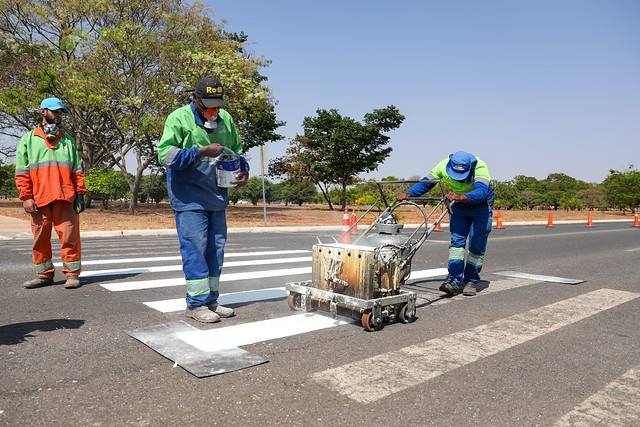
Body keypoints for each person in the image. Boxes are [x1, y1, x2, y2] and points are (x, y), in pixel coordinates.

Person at [157, 76, 249, 323]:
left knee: (215, 250)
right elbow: (165, 156)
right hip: (189, 198)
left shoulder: (225, 119)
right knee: (195, 248)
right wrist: (201, 152)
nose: (213, 110)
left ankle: (211, 300)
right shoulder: (178, 118)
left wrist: (244, 170)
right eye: (207, 104)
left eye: (217, 105)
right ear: (194, 99)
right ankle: (195, 304)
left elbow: (236, 152)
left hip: (217, 196)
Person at [397, 151, 494, 297]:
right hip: (459, 206)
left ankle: (471, 281)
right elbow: (426, 183)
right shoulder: (443, 165)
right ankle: (453, 280)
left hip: (481, 207)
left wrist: (462, 196)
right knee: (457, 244)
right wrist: (409, 194)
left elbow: (481, 192)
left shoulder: (480, 167)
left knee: (476, 245)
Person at [15, 97, 88, 289]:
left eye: (61, 112)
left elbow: (77, 170)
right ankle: (44, 274)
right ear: (42, 112)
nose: (59, 115)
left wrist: (80, 193)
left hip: (66, 197)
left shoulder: (69, 141)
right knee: (40, 237)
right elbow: (22, 172)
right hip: (39, 198)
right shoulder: (28, 140)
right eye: (55, 111)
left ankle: (72, 274)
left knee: (70, 236)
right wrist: (26, 196)